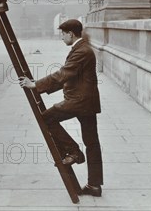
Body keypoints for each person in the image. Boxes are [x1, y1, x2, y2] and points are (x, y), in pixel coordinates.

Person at [19, 19, 103, 197]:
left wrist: (35, 85)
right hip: (87, 102)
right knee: (92, 143)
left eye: (62, 34)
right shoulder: (83, 49)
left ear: (71, 34)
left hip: (78, 101)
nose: (61, 38)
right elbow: (69, 76)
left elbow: (63, 73)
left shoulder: (82, 51)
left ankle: (74, 152)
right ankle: (94, 185)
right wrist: (41, 87)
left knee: (46, 118)